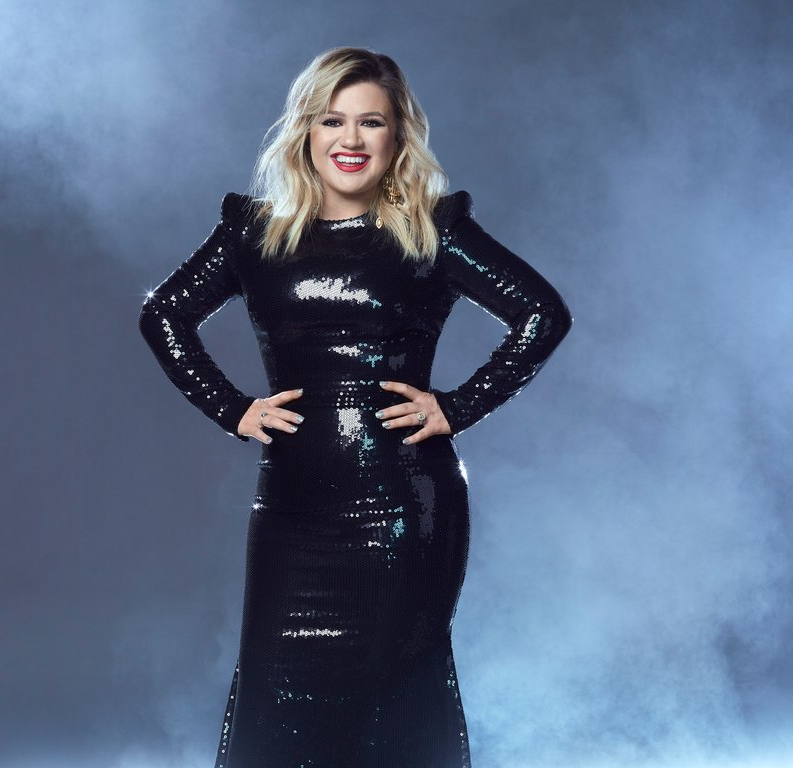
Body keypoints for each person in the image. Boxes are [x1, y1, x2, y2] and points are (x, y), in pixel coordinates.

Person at [138, 46, 572, 768]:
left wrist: (459, 406)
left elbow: (542, 313)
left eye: (371, 122)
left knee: (390, 704)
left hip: (404, 508)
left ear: (398, 135)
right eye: (332, 120)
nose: (351, 139)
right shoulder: (254, 232)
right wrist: (232, 409)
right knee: (278, 704)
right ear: (305, 130)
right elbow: (164, 315)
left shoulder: (431, 230)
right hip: (291, 514)